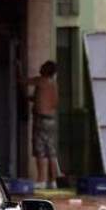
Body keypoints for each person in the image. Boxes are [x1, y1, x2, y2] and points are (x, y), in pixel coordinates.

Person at [27, 60, 62, 190]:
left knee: (40, 151)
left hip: (41, 120)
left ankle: (41, 180)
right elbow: (50, 101)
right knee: (51, 152)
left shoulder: (41, 81)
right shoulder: (53, 84)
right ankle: (52, 181)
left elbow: (24, 81)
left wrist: (17, 67)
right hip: (51, 120)